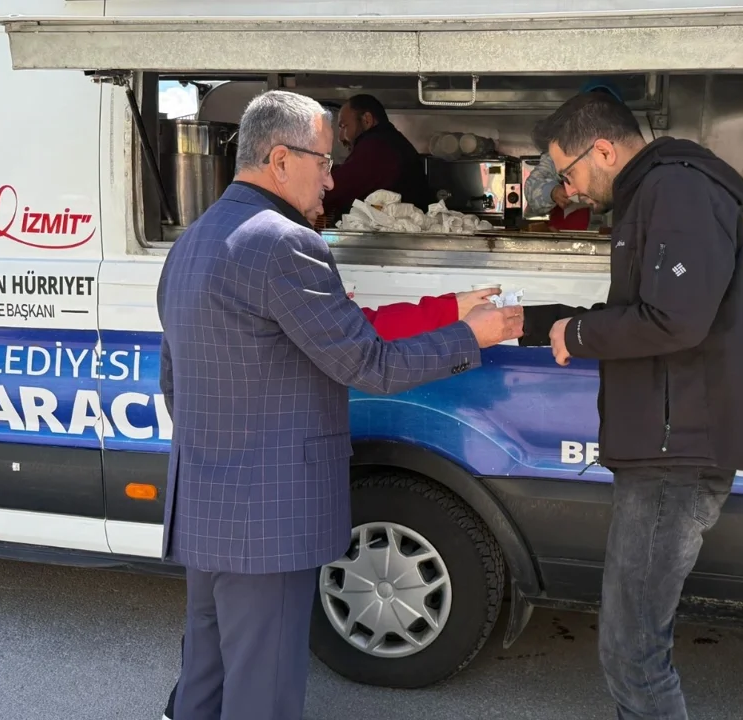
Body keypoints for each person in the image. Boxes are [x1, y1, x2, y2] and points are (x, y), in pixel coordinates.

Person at [156, 89, 522, 720]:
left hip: (207, 505)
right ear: (279, 160)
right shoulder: (285, 244)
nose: (332, 178)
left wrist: (444, 310)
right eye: (324, 162)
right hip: (269, 517)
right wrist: (470, 337)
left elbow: (175, 379)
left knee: (204, 679)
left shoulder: (194, 240)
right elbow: (368, 364)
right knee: (263, 694)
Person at [519, 91, 743, 718]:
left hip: (676, 454)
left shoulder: (676, 189)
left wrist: (578, 334)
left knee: (632, 650)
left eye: (568, 172)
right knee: (632, 646)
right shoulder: (655, 192)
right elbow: (646, 315)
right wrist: (544, 323)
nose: (569, 189)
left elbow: (675, 319)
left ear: (603, 149)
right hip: (665, 447)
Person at [522, 79, 623, 231]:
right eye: (590, 110)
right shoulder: (562, 150)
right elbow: (532, 186)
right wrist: (552, 192)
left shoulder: (626, 153)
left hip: (615, 237)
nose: (598, 118)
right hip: (567, 238)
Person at [320, 93, 429, 218]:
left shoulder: (377, 147)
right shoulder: (388, 141)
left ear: (367, 120)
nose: (340, 138)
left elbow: (335, 188)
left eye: (344, 126)